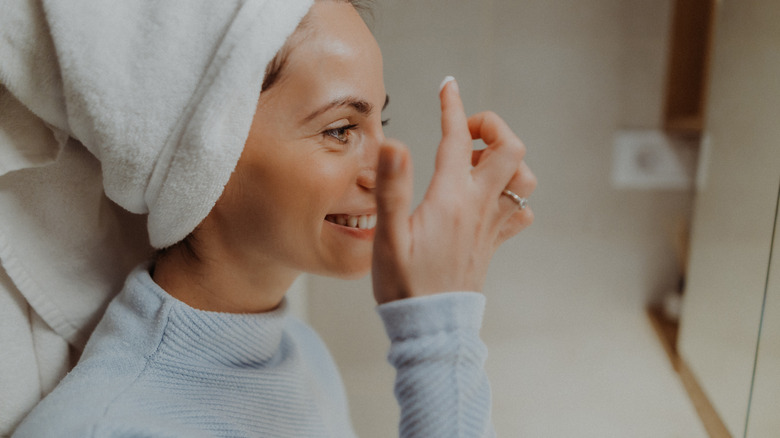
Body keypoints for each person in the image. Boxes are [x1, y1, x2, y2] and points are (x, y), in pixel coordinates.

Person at [7, 0, 536, 436]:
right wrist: (438, 335)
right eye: (340, 130)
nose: (387, 168)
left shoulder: (302, 356)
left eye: (380, 120)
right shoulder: (111, 427)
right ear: (203, 155)